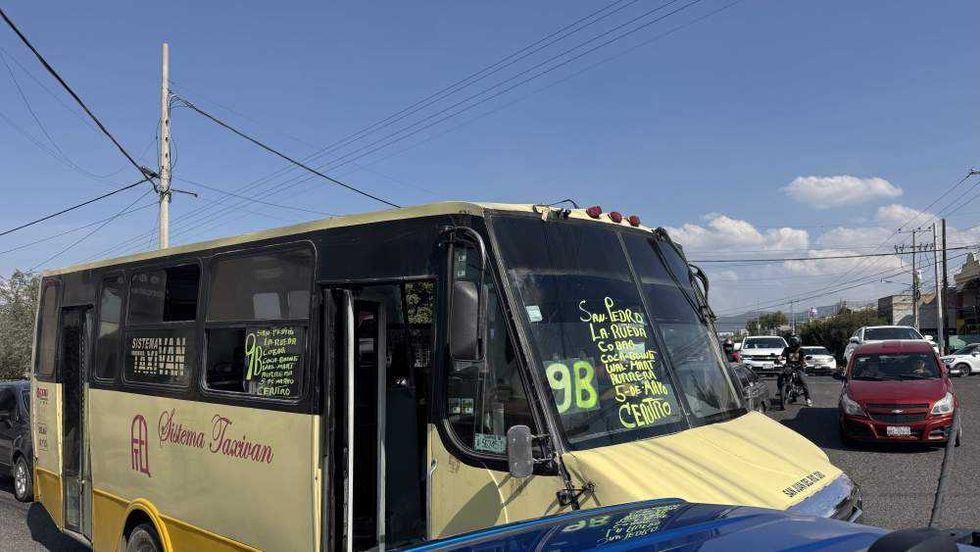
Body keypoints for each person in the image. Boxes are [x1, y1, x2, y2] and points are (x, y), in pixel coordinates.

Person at [778, 335, 812, 406]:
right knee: (780, 376)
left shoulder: (801, 350)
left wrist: (804, 362)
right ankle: (780, 390)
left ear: (798, 342)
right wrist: (779, 358)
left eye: (794, 342)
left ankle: (808, 399)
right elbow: (782, 355)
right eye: (792, 342)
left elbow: (804, 358)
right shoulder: (786, 349)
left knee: (803, 381)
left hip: (798, 368)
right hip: (788, 367)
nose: (793, 344)